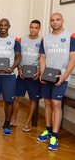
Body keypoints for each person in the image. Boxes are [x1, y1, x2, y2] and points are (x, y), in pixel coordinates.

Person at [37, 13, 75, 151]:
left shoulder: (71, 36)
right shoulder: (45, 38)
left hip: (61, 77)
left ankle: (54, 135)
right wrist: (42, 72)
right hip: (47, 76)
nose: (55, 22)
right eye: (52, 20)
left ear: (62, 21)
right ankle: (47, 130)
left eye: (58, 19)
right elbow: (42, 56)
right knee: (47, 102)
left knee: (56, 103)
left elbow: (73, 58)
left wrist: (64, 76)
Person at [10, 20, 42, 131]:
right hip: (22, 74)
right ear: (29, 27)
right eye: (32, 27)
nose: (33, 29)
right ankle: (13, 119)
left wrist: (40, 72)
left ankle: (27, 123)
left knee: (33, 100)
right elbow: (17, 56)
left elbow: (44, 58)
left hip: (35, 76)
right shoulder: (21, 40)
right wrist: (19, 69)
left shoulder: (42, 41)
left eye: (36, 28)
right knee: (16, 98)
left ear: (39, 29)